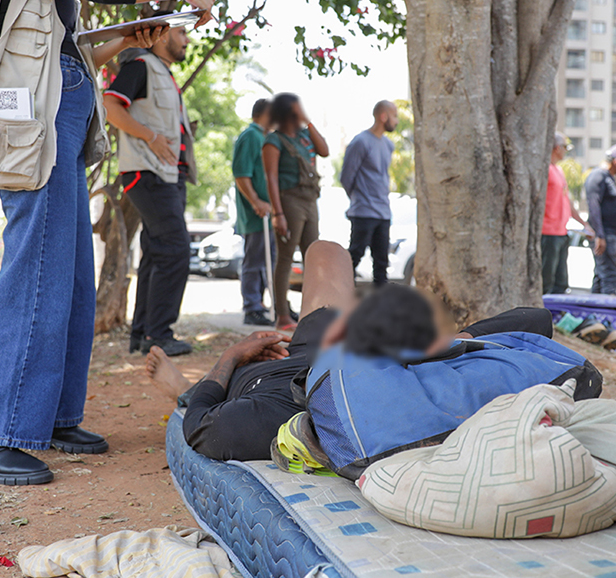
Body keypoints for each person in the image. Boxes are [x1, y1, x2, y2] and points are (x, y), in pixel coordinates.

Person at [0, 0, 214, 486]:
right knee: (36, 271)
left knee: (68, 271)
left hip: (56, 115)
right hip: (34, 124)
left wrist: (117, 39)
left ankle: (51, 416)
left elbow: (61, 42)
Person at [144, 241, 557, 462]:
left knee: (324, 252)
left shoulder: (267, 414)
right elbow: (535, 322)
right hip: (334, 360)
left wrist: (229, 357)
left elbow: (200, 428)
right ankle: (189, 385)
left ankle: (185, 387)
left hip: (294, 371)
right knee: (326, 252)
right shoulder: (419, 371)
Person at [105, 13, 200, 357]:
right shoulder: (141, 66)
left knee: (158, 251)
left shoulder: (162, 72)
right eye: (181, 32)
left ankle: (144, 334)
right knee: (176, 250)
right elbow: (109, 105)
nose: (187, 40)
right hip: (148, 173)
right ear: (160, 34)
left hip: (167, 175)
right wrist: (151, 136)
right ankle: (159, 335)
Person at [262, 93, 329, 329]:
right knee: (286, 257)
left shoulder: (304, 136)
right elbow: (271, 178)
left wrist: (307, 120)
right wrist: (277, 214)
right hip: (289, 201)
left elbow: (324, 150)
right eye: (296, 109)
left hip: (310, 199)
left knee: (313, 256)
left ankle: (309, 313)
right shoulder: (274, 140)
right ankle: (282, 315)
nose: (299, 112)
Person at [340, 101, 398, 286]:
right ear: (383, 116)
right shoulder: (360, 142)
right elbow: (346, 177)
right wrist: (359, 199)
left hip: (383, 212)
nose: (396, 121)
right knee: (353, 258)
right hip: (364, 212)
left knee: (381, 264)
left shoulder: (388, 145)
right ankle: (342, 303)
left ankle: (381, 310)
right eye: (394, 116)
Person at [232, 98, 276, 326]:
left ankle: (265, 306)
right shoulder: (251, 136)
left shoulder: (264, 138)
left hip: (269, 214)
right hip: (256, 214)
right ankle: (251, 307)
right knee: (254, 260)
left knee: (268, 261)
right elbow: (241, 173)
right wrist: (256, 201)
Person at [542, 133, 593, 295]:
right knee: (546, 279)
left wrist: (584, 224)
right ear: (557, 148)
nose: (566, 151)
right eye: (565, 147)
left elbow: (568, 202)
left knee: (561, 281)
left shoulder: (558, 170)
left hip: (562, 231)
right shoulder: (546, 170)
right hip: (547, 232)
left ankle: (557, 317)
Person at [583, 144, 616, 297]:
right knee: (609, 276)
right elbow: (593, 205)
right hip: (604, 233)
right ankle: (609, 316)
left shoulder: (609, 178)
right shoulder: (598, 176)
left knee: (601, 276)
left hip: (611, 232)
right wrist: (599, 235)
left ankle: (594, 313)